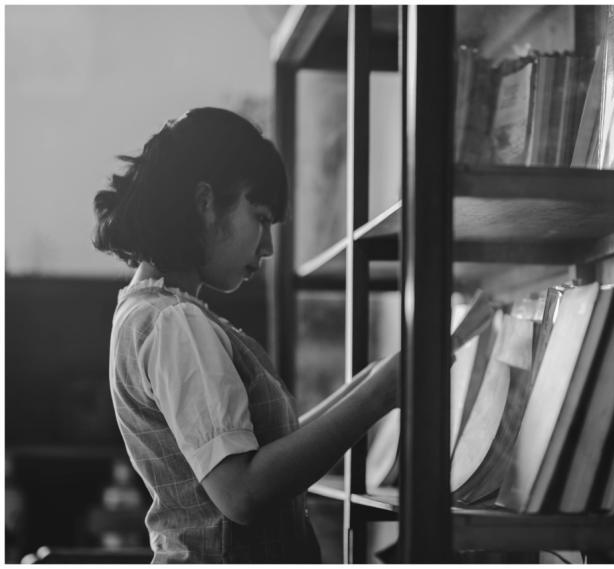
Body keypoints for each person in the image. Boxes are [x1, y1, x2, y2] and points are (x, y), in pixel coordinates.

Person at [93, 107, 399, 563]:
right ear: (205, 202)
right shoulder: (176, 324)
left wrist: (374, 380)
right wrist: (378, 396)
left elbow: (265, 450)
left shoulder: (146, 312)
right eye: (260, 217)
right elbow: (242, 494)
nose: (269, 247)